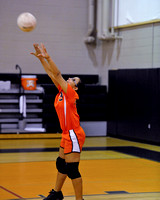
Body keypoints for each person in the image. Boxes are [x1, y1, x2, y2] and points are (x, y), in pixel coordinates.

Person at [31, 43, 86, 200]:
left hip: (74, 134)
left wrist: (48, 57)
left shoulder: (71, 94)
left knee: (72, 170)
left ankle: (79, 199)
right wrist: (41, 59)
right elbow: (51, 74)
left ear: (75, 88)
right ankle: (57, 193)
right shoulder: (62, 90)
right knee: (61, 164)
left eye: (73, 80)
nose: (70, 78)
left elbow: (58, 73)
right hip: (66, 133)